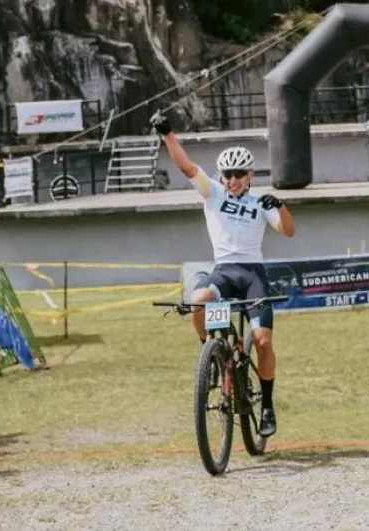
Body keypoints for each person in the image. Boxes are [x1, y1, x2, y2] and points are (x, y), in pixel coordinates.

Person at [151, 112, 296, 437]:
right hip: (224, 272)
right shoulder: (213, 193)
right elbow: (187, 167)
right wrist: (167, 135)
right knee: (198, 301)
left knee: (262, 342)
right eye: (227, 174)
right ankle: (210, 356)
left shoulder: (262, 202)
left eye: (238, 174)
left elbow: (288, 232)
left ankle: (268, 406)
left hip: (253, 275)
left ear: (250, 175)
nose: (231, 179)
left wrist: (282, 206)